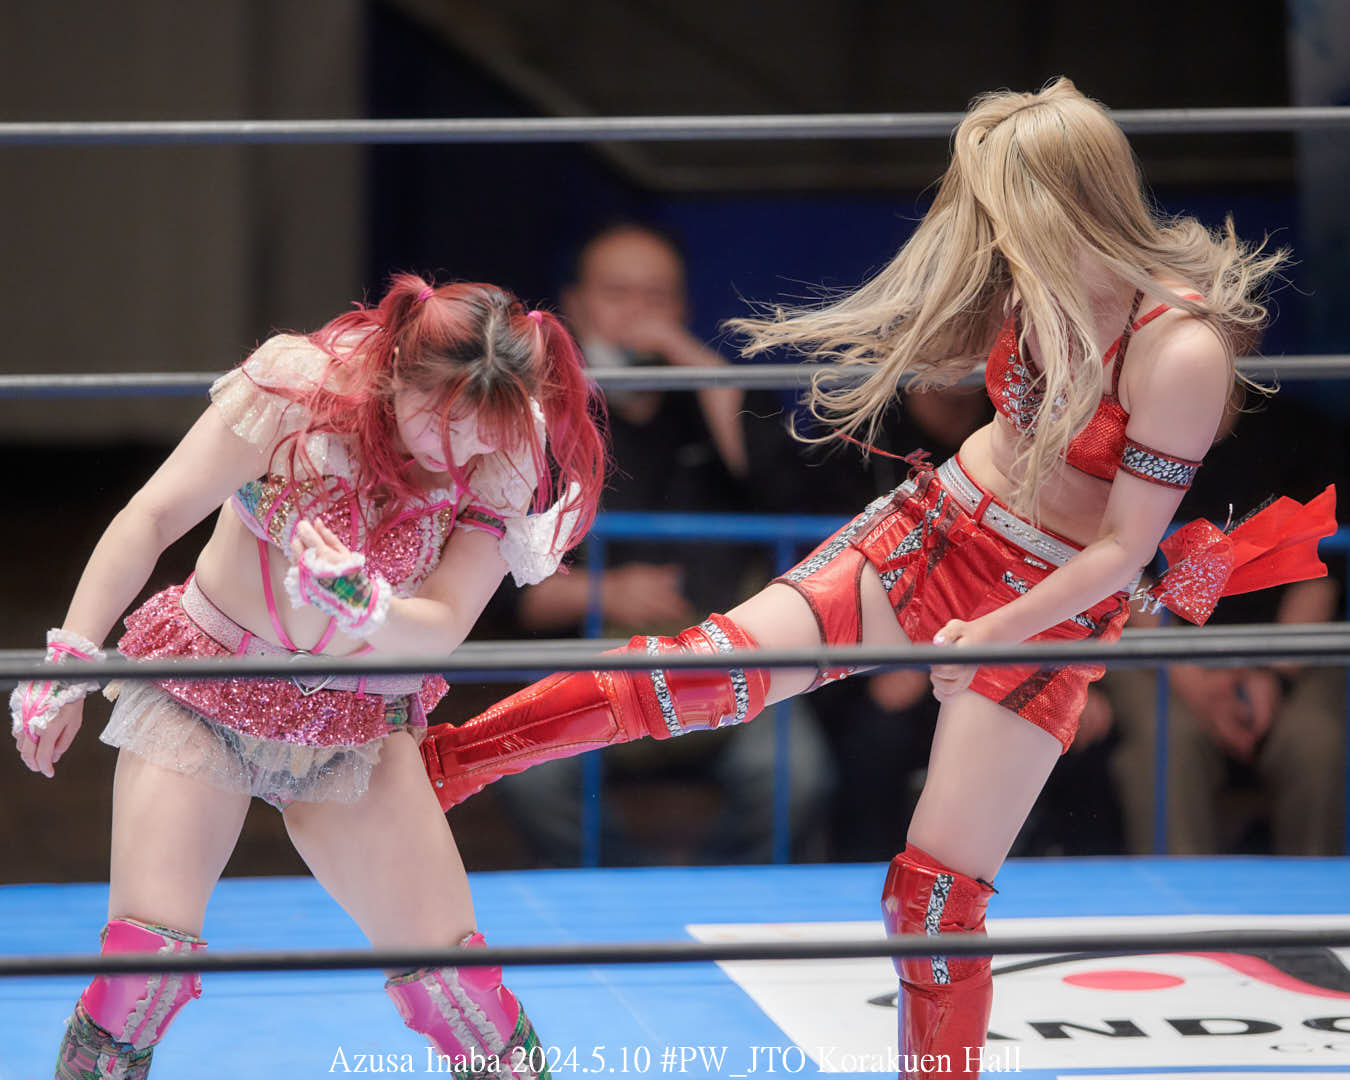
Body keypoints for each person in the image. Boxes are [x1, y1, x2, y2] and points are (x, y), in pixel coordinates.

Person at [421, 78, 1334, 1077]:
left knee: (934, 902)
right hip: (936, 528)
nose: (988, 230)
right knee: (697, 670)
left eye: (1000, 206)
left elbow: (1124, 549)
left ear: (1062, 201)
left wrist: (993, 633)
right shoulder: (1032, 281)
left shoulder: (1180, 350)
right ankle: (443, 764)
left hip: (1054, 604)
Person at [9, 276, 605, 1078]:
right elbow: (152, 516)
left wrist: (370, 608)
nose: (460, 448)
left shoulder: (505, 445)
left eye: (482, 431)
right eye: (444, 418)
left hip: (355, 723)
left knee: (460, 996)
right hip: (205, 690)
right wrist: (69, 660)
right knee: (141, 979)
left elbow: (441, 625)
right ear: (399, 372)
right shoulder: (298, 388)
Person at [495, 222, 831, 865]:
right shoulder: (540, 418)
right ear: (576, 304)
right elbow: (503, 590)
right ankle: (622, 897)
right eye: (617, 294)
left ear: (684, 307)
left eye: (658, 297)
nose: (638, 313)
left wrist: (689, 359)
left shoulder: (713, 401)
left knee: (796, 775)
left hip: (727, 662)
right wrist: (606, 592)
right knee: (532, 778)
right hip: (591, 665)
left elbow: (789, 494)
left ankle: (716, 901)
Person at [1101, 393, 1347, 855]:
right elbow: (1120, 573)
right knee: (1166, 747)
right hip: (1158, 649)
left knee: (1317, 744)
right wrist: (1189, 676)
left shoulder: (1303, 435)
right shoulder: (1123, 434)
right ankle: (1175, 901)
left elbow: (1323, 573)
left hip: (1290, 651)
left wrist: (1275, 675)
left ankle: (1320, 901)